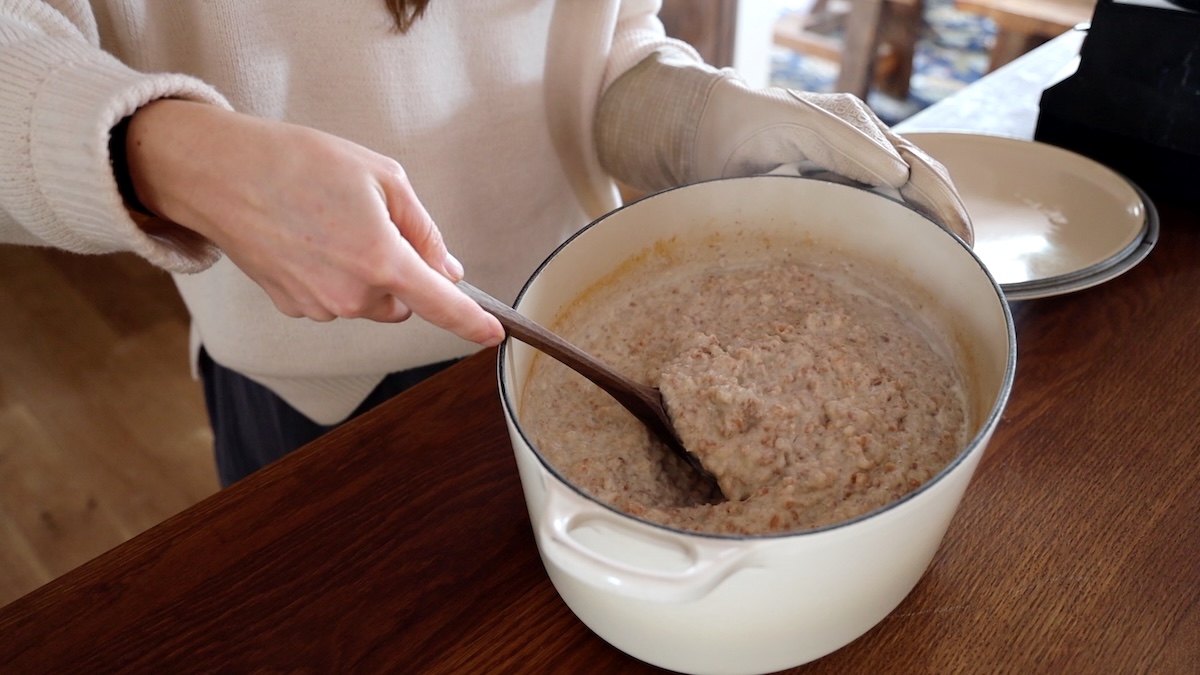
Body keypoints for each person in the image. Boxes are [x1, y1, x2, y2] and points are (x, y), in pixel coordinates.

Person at [0, 0, 971, 486]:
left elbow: (599, 51)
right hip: (310, 393)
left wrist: (700, 118)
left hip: (589, 344)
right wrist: (166, 147)